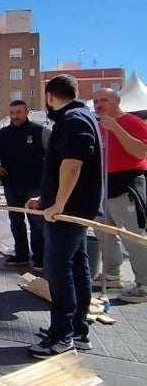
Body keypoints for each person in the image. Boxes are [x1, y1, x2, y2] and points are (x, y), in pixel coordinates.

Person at [26, 74, 103, 358]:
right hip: (74, 209)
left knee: (58, 269)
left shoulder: (72, 121)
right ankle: (78, 330)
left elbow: (72, 166)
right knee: (78, 267)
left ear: (49, 97)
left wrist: (57, 205)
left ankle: (62, 336)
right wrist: (46, 199)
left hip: (68, 212)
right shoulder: (83, 117)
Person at [92, 88, 147, 303]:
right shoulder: (97, 126)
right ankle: (112, 273)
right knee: (104, 234)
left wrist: (115, 128)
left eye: (104, 100)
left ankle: (144, 282)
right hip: (103, 187)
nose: (99, 105)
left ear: (117, 100)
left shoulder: (133, 122)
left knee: (133, 236)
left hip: (126, 184)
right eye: (96, 101)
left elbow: (141, 152)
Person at [0, 100, 50, 271]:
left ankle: (40, 258)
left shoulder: (40, 131)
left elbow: (55, 153)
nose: (15, 116)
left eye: (19, 112)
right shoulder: (4, 133)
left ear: (27, 112)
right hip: (12, 185)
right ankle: (21, 255)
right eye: (12, 113)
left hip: (35, 185)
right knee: (16, 221)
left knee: (37, 222)